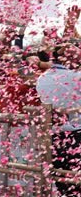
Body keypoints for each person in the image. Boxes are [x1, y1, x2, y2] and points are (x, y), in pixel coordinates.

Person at [36, 44, 81, 196]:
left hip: (54, 135)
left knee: (62, 181)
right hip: (77, 133)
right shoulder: (77, 77)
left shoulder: (42, 78)